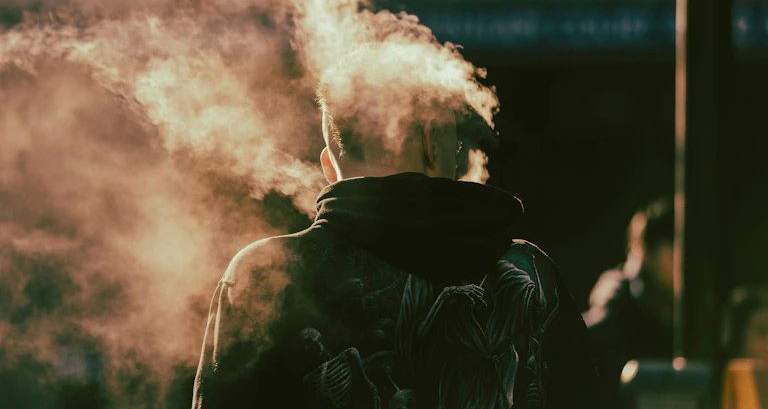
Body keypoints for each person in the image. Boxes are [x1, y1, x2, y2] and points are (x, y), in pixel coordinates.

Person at [192, 45, 603, 409]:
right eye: (455, 142)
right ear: (432, 139)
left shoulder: (264, 274)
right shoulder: (530, 275)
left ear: (329, 166)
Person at [582, 197, 674, 405]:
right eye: (673, 247)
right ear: (648, 252)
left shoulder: (691, 313)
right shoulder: (614, 318)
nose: (684, 260)